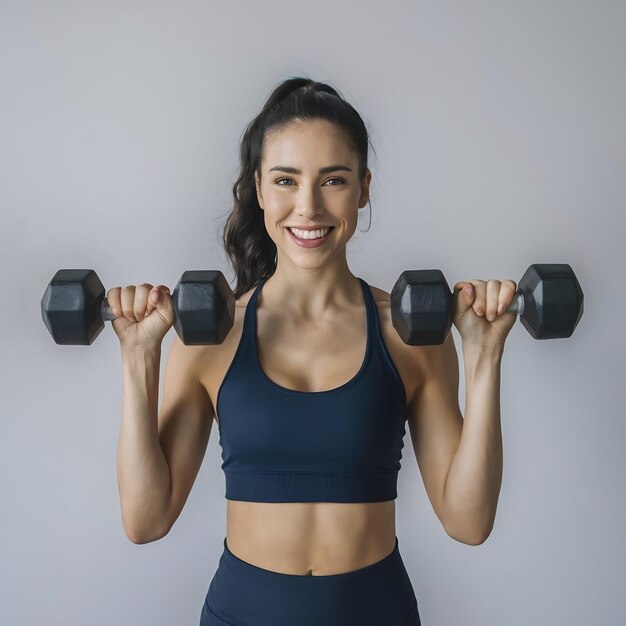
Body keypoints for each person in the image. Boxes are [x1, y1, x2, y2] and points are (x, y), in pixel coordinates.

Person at [109, 77, 517, 626]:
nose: (308, 206)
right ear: (258, 188)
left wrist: (483, 357)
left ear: (363, 188)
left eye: (333, 180)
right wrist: (139, 358)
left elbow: (469, 523)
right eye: (286, 180)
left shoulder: (408, 334)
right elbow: (145, 520)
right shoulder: (212, 335)